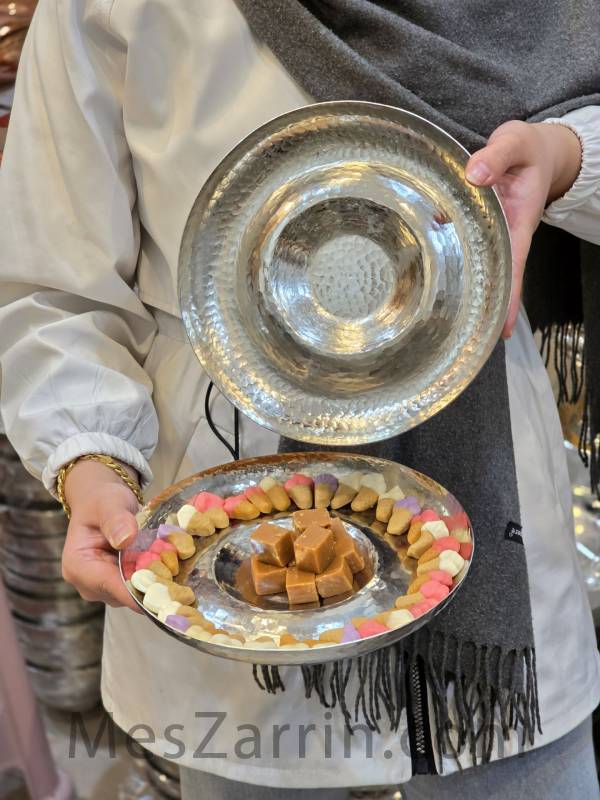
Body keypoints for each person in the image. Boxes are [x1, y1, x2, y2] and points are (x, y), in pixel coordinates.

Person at [1, 2, 599, 798]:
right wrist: (90, 459)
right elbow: (54, 279)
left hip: (486, 487)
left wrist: (566, 156)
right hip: (225, 532)